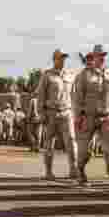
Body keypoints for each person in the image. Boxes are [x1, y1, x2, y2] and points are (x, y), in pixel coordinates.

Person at [73, 44, 109, 184]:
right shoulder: (83, 75)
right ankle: (80, 171)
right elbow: (78, 97)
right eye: (99, 55)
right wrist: (78, 117)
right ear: (93, 57)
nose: (102, 58)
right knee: (84, 151)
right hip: (88, 116)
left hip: (106, 116)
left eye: (104, 55)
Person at [36, 50, 77, 180]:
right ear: (54, 59)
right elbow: (41, 95)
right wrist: (41, 113)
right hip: (51, 113)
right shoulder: (47, 75)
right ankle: (48, 171)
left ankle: (74, 169)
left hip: (67, 112)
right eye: (60, 58)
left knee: (71, 140)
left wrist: (76, 112)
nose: (63, 60)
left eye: (64, 58)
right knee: (49, 142)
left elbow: (74, 95)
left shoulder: (70, 75)